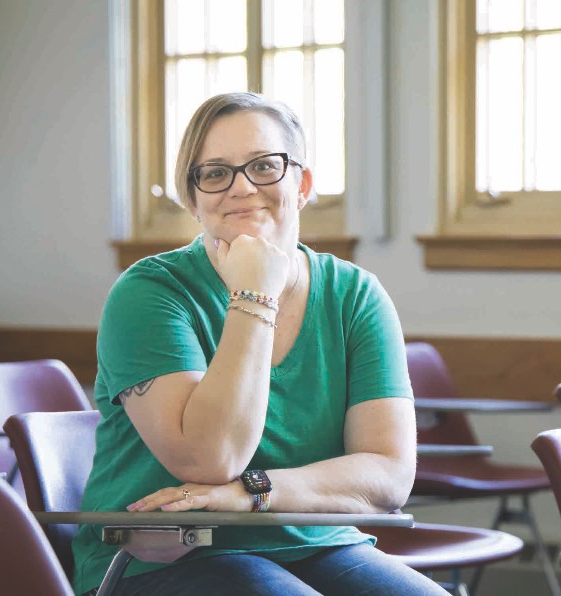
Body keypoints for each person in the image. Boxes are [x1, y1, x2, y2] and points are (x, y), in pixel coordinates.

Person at [73, 91, 444, 595]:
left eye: (265, 165)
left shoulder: (356, 295)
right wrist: (255, 296)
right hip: (160, 557)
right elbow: (211, 460)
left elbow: (388, 475)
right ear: (194, 197)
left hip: (319, 542)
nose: (242, 187)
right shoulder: (149, 293)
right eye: (215, 172)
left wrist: (253, 493)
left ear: (303, 183)